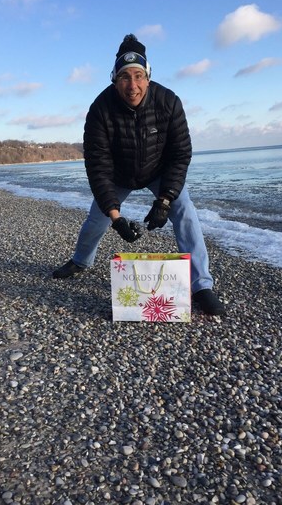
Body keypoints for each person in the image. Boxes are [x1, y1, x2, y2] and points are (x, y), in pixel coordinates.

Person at [53, 34, 225, 316]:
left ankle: (202, 285)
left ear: (148, 76)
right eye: (124, 77)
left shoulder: (169, 102)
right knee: (97, 218)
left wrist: (165, 200)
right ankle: (81, 261)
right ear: (113, 79)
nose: (132, 86)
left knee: (185, 211)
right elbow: (98, 166)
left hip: (158, 171)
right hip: (120, 174)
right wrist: (116, 218)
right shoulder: (99, 110)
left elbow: (180, 155)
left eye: (138, 76)